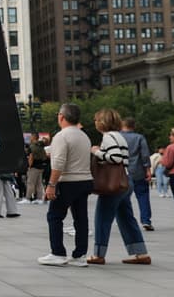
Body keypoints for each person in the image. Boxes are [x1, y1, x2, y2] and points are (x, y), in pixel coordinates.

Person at [87, 109, 151, 265]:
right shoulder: (119, 136)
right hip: (125, 180)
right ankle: (140, 253)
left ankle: (98, 254)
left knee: (102, 218)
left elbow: (115, 157)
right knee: (126, 217)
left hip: (114, 183)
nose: (94, 122)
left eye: (96, 119)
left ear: (102, 122)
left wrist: (97, 152)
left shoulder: (108, 137)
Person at [39, 103, 93, 267]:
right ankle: (80, 255)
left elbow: (59, 163)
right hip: (84, 180)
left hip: (68, 181)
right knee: (81, 218)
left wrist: (51, 184)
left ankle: (58, 252)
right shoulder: (84, 136)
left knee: (55, 216)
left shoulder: (62, 136)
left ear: (61, 117)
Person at [119, 118, 153, 231]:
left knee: (123, 197)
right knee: (143, 196)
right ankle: (145, 220)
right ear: (134, 126)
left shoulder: (117, 137)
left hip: (121, 172)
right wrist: (147, 169)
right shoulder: (139, 137)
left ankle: (126, 221)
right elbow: (144, 154)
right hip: (138, 171)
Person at [25, 137, 50, 203]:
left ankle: (28, 198)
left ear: (33, 138)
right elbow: (44, 157)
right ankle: (39, 198)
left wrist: (29, 166)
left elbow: (31, 157)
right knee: (39, 183)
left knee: (30, 183)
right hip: (41, 167)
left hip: (33, 167)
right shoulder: (41, 147)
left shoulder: (32, 147)